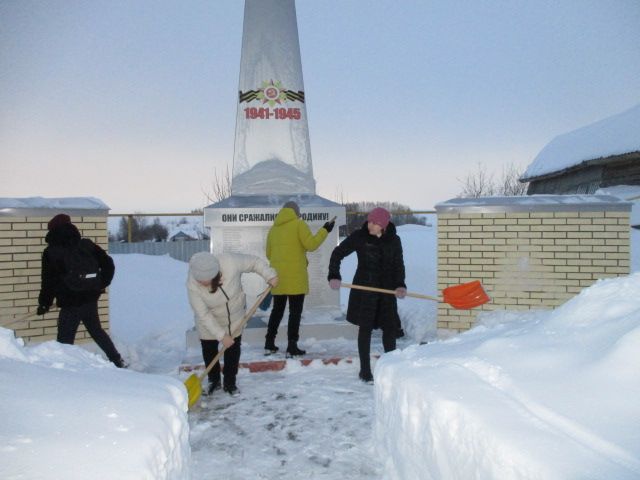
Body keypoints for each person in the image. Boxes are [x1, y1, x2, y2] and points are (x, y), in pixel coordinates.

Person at [327, 207, 407, 383]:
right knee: (365, 329)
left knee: (390, 330)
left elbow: (398, 265)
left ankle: (390, 368)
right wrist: (334, 275)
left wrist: (400, 284)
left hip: (386, 292)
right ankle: (365, 370)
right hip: (365, 291)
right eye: (369, 221)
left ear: (383, 226)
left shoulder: (394, 240)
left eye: (374, 223)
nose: (369, 224)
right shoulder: (360, 237)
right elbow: (337, 253)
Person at [37, 213, 127, 368]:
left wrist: (44, 303)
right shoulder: (86, 244)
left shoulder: (51, 252)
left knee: (65, 340)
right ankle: (117, 360)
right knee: (97, 331)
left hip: (70, 302)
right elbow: (108, 264)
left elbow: (48, 281)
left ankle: (65, 370)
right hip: (90, 298)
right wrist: (101, 284)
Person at [187, 251, 278, 396]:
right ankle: (214, 381)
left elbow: (254, 262)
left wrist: (270, 275)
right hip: (210, 321)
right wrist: (221, 335)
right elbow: (203, 314)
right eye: (199, 280)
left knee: (232, 351)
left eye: (205, 280)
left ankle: (230, 383)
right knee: (209, 350)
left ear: (215, 273)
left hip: (234, 317)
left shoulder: (229, 261)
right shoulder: (192, 283)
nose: (201, 283)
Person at [264, 201, 335, 357]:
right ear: (296, 212)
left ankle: (269, 343)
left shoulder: (273, 229)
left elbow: (268, 254)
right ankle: (292, 346)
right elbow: (311, 245)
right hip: (296, 277)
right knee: (294, 313)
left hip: (278, 277)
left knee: (277, 311)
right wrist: (325, 230)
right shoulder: (299, 224)